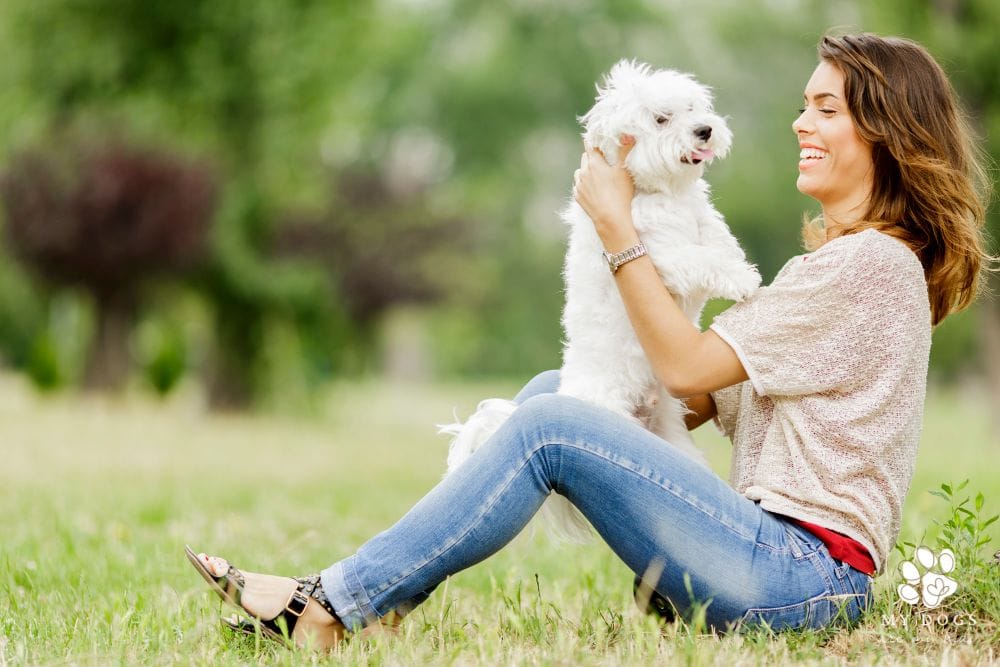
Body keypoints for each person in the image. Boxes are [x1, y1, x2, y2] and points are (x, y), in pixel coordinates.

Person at [186, 33, 990, 647]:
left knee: (549, 426)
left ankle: (331, 605)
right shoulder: (850, 263)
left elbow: (683, 366)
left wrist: (617, 228)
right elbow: (698, 395)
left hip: (801, 574)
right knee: (552, 396)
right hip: (779, 560)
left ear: (885, 133)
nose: (798, 121)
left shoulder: (870, 266)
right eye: (804, 103)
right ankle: (386, 597)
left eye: (826, 108)